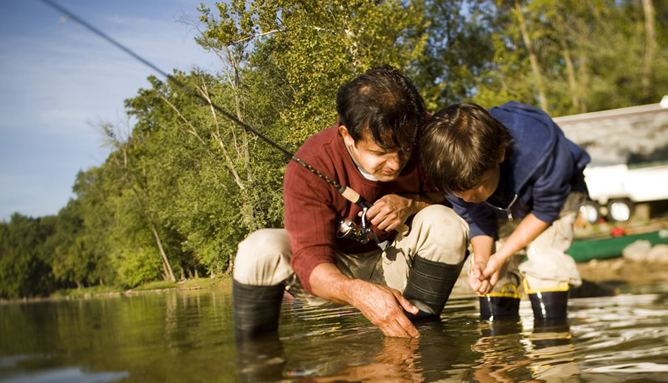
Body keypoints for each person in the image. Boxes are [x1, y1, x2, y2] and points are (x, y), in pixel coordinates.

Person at [232, 66, 469, 340]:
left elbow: (462, 195)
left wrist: (412, 204)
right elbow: (310, 259)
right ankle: (256, 360)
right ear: (347, 136)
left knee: (446, 224)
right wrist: (356, 292)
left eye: (405, 149)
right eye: (381, 152)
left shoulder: (427, 132)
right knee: (258, 249)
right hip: (334, 270)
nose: (395, 163)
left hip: (400, 259)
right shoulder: (310, 163)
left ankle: (419, 342)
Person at [419, 102, 591, 323]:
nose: (469, 197)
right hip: (502, 204)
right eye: (460, 193)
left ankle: (553, 344)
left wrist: (500, 257)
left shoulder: (538, 147)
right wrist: (483, 260)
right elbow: (477, 219)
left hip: (556, 197)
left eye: (476, 186)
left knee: (544, 258)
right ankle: (499, 347)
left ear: (500, 154)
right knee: (494, 272)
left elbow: (546, 211)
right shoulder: (447, 171)